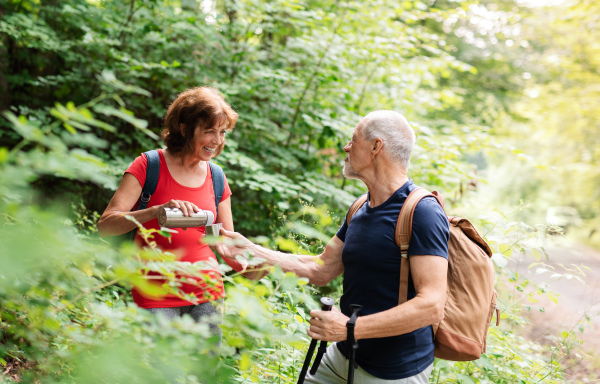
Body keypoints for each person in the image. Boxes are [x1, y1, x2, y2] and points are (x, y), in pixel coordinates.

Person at [213, 110, 449, 383]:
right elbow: (321, 268)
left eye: (353, 139)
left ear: (376, 146)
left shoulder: (422, 212)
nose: (346, 147)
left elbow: (432, 304)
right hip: (343, 355)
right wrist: (254, 251)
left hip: (393, 372)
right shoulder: (361, 206)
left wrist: (350, 327)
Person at [98, 86, 258, 336]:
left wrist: (250, 266)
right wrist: (155, 212)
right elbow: (105, 225)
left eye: (222, 132)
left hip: (207, 292)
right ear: (184, 129)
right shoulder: (148, 165)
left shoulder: (216, 176)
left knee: (203, 373)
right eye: (209, 131)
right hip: (155, 292)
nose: (217, 141)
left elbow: (224, 240)